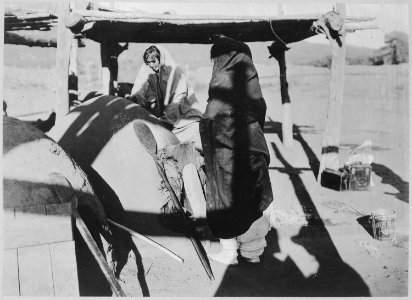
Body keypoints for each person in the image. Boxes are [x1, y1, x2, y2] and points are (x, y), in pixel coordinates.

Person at [200, 37, 273, 264]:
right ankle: (253, 252)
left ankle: (229, 252)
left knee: (226, 199)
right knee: (252, 198)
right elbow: (258, 113)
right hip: (254, 147)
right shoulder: (251, 79)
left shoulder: (222, 78)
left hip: (227, 152)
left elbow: (212, 118)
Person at [130, 45, 203, 150]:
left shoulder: (175, 73)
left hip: (187, 123)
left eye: (153, 61)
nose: (151, 65)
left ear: (161, 58)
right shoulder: (153, 73)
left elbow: (177, 101)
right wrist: (134, 101)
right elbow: (140, 89)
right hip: (170, 124)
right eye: (148, 62)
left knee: (196, 155)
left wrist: (161, 121)